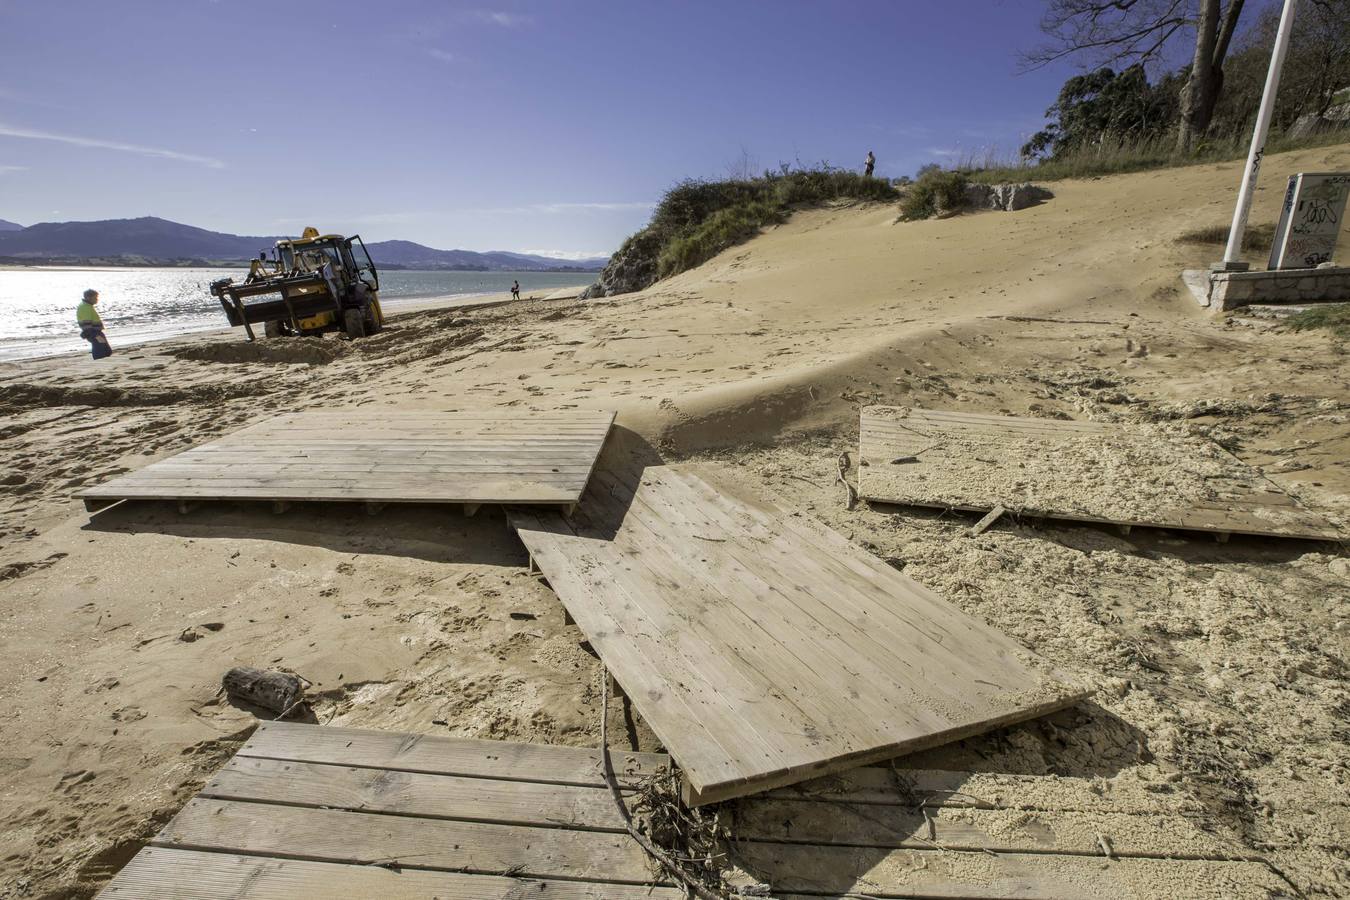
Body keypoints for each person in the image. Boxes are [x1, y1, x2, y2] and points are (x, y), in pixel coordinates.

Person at [77, 289, 112, 360]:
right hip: (93, 332)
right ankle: (99, 362)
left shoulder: (88, 306)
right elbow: (86, 322)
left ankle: (102, 360)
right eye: (95, 298)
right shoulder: (85, 307)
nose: (97, 299)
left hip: (96, 331)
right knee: (100, 349)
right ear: (88, 298)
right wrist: (92, 334)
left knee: (106, 350)